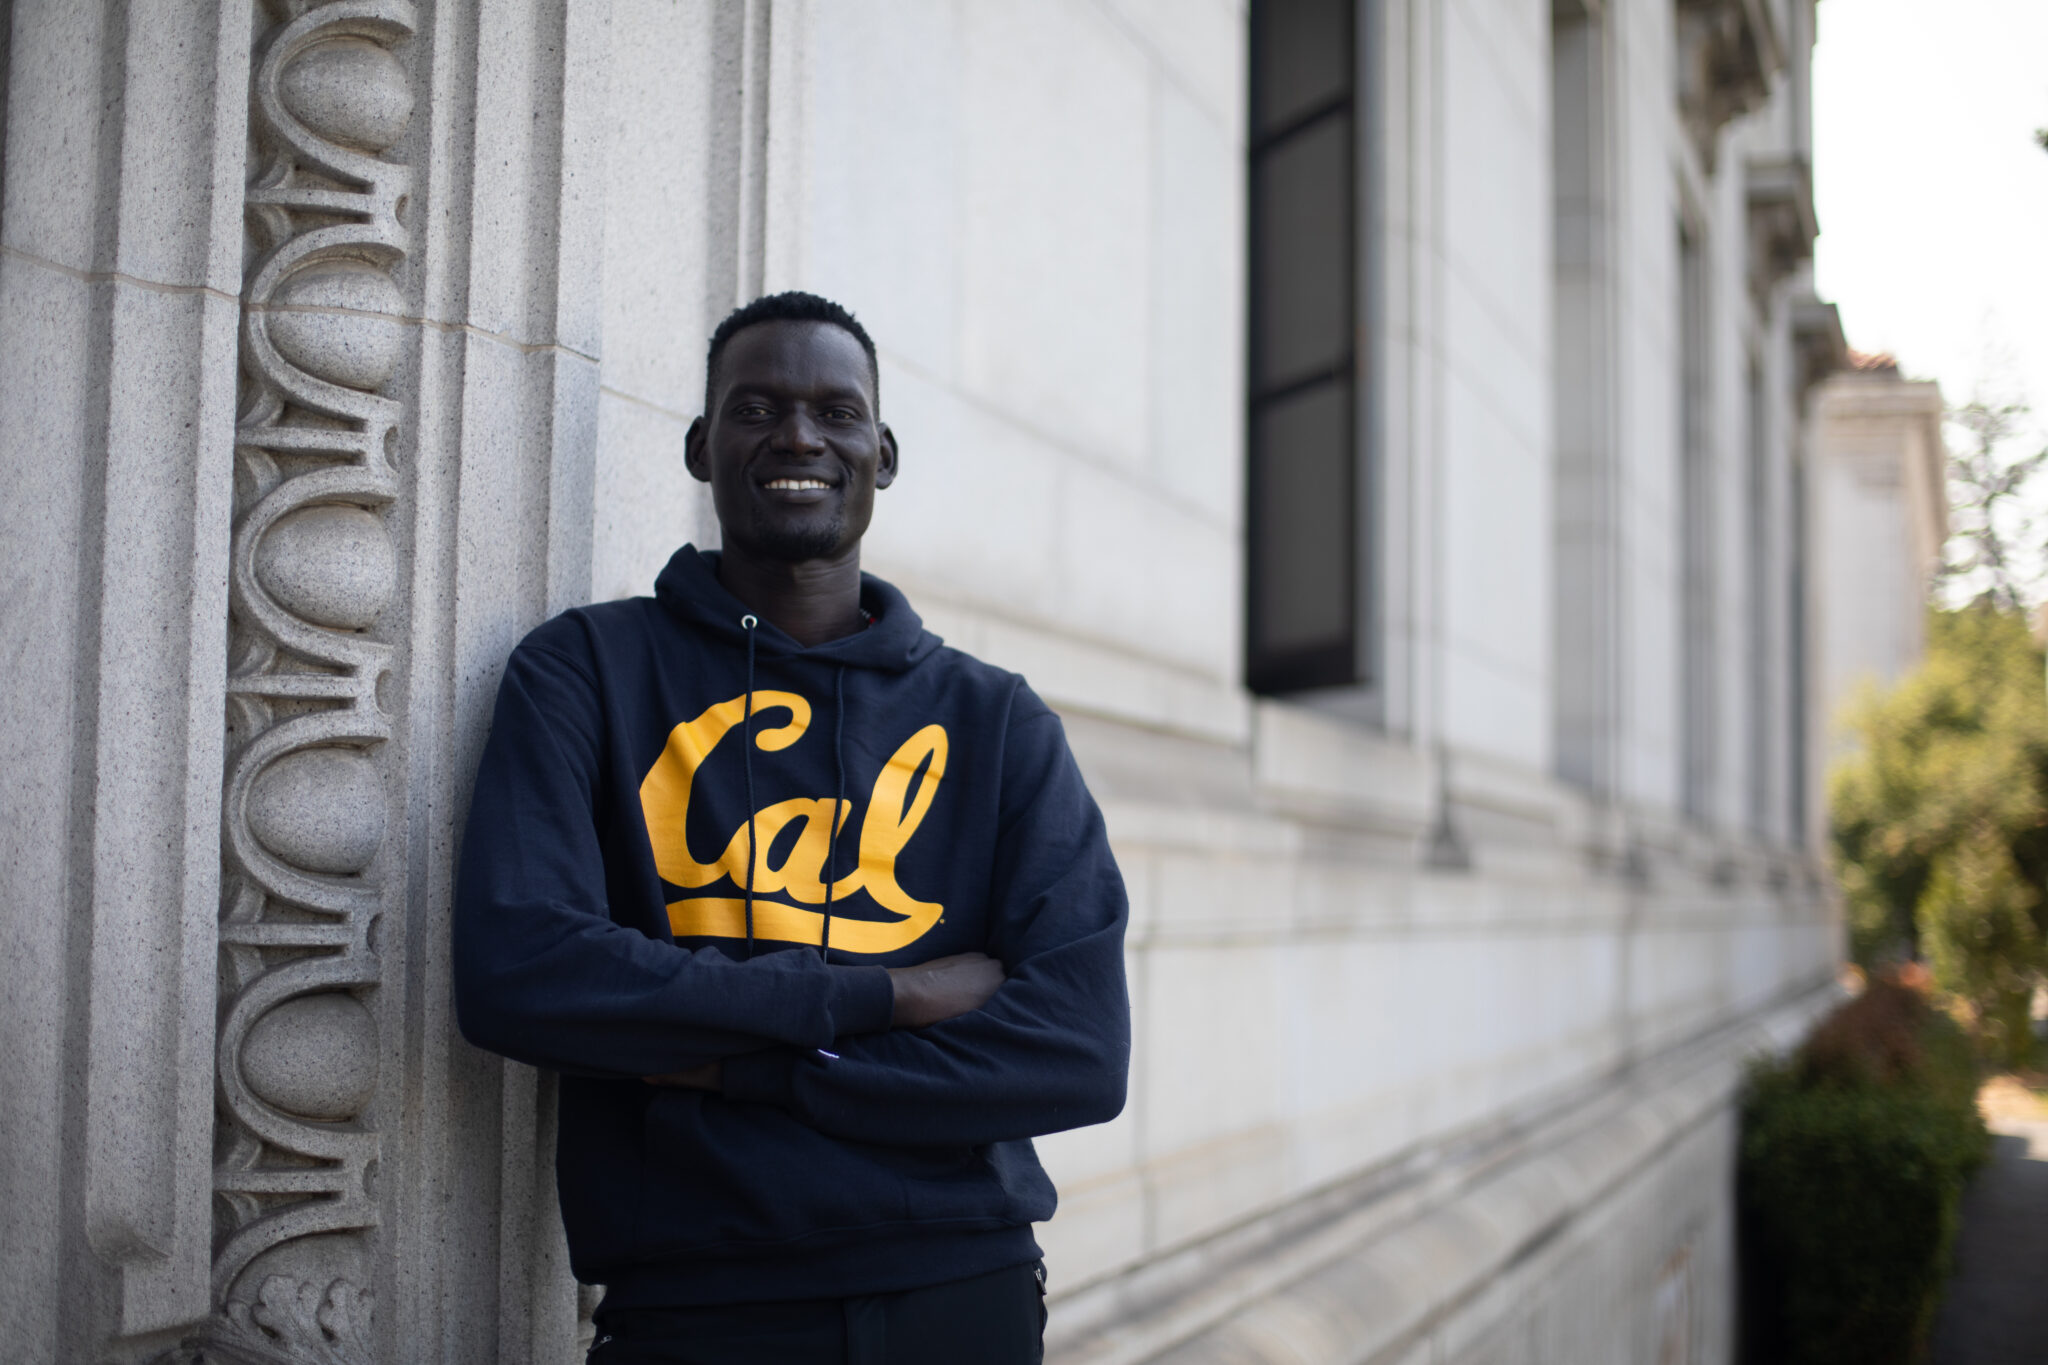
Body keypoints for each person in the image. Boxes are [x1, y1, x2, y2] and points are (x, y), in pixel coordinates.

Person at [453, 291, 1131, 1364]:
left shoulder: (996, 721)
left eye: (836, 412)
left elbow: (1075, 1056)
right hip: (697, 1299)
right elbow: (523, 976)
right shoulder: (585, 671)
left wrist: (742, 1067)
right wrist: (889, 994)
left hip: (960, 1282)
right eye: (757, 407)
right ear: (700, 445)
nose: (800, 436)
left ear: (883, 452)